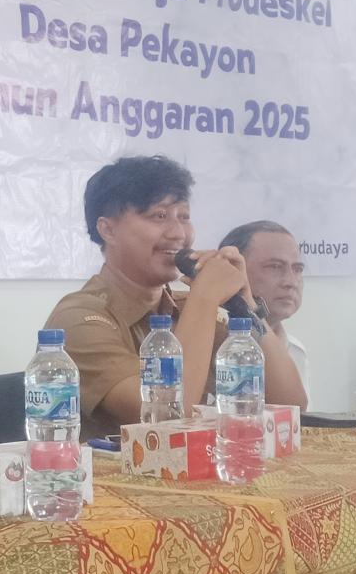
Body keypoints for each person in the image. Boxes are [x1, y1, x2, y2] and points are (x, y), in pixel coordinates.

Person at [43, 156, 309, 439]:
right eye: (159, 216)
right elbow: (167, 416)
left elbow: (291, 405)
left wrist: (244, 304)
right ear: (108, 230)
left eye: (184, 216)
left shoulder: (187, 308)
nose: (179, 234)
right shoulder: (77, 318)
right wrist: (205, 296)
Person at [219, 220, 311, 399]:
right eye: (275, 267)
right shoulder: (212, 342)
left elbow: (298, 413)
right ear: (233, 268)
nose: (291, 282)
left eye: (297, 269)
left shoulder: (295, 350)